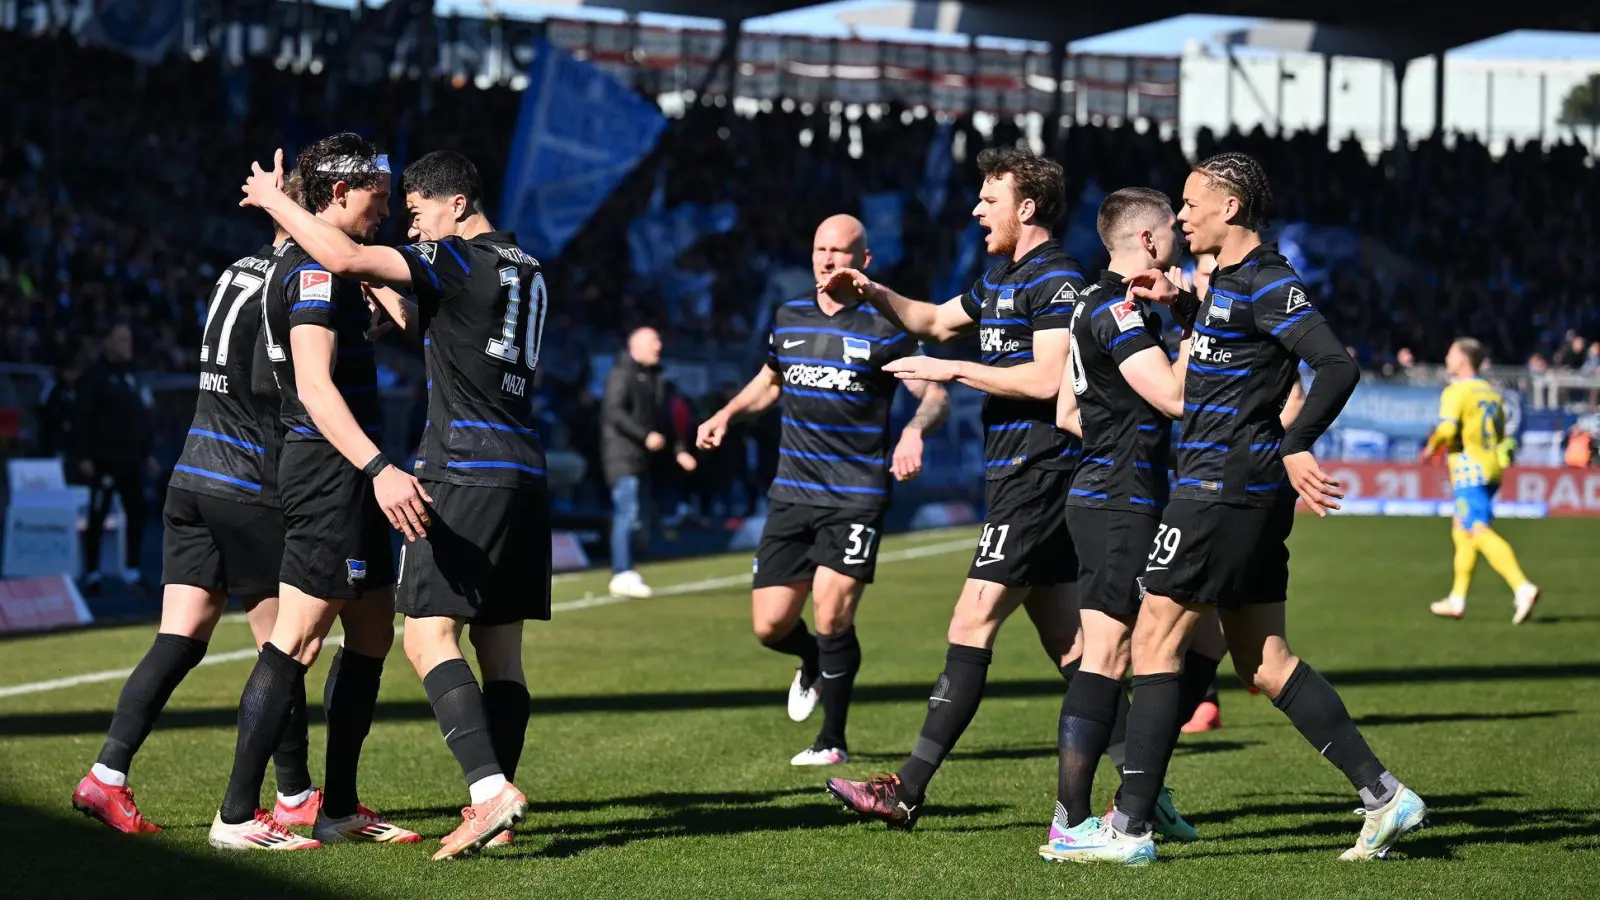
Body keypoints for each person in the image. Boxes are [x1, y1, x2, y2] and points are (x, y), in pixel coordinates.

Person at [1048, 151, 1426, 865]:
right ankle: (1383, 796)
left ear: (1230, 209)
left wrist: (1297, 443)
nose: (1180, 216)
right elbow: (1236, 347)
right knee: (1263, 661)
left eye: (1191, 204)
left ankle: (1128, 830)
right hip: (1238, 492)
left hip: (1220, 489)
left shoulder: (1269, 281)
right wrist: (1182, 305)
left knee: (1154, 641)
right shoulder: (1226, 284)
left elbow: (1337, 364)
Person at [242, 148, 542, 860]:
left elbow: (344, 260)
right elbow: (451, 328)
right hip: (526, 474)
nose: (411, 229)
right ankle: (493, 804)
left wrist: (276, 200)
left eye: (417, 214)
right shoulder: (527, 268)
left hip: (466, 468)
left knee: (424, 637)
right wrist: (397, 307)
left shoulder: (459, 258)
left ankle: (487, 790)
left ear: (457, 205)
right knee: (502, 651)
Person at [816, 146, 1086, 828]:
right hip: (1017, 473)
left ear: (1027, 208)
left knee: (970, 623)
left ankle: (905, 789)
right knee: (1075, 648)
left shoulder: (1056, 278)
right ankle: (1147, 791)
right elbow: (934, 319)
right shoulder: (1000, 276)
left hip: (1040, 472)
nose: (975, 209)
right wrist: (876, 293)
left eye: (989, 200)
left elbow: (1049, 379)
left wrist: (953, 371)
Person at [72, 177, 315, 835]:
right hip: (247, 482)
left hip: (192, 473)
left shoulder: (236, 267)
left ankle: (106, 776)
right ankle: (294, 796)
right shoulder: (301, 276)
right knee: (284, 647)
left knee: (178, 640)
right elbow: (290, 382)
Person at [209, 134, 425, 852]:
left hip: (349, 468)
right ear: (338, 194)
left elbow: (409, 320)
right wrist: (378, 469)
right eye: (378, 197)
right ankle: (235, 818)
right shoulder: (314, 271)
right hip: (332, 467)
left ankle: (338, 807)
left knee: (369, 635)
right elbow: (313, 387)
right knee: (296, 639)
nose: (387, 210)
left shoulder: (334, 263)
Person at [696, 214, 948, 767]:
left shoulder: (884, 325)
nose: (827, 259)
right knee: (769, 626)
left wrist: (912, 430)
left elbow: (933, 391)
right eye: (820, 249)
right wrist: (727, 415)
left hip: (856, 495)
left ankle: (832, 737)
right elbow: (770, 381)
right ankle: (809, 658)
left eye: (839, 250)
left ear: (864, 261)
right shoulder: (787, 317)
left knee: (834, 612)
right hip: (791, 492)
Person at [1042, 187, 1211, 858]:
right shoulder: (1116, 310)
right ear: (1146, 240)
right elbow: (1172, 396)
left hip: (1112, 492)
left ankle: (1144, 789)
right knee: (1109, 656)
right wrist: (1198, 327)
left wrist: (1116, 429)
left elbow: (1064, 413)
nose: (1179, 233)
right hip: (1119, 501)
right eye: (1172, 225)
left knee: (1207, 637)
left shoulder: (1093, 303)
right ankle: (1073, 821)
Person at [1423, 338, 1540, 624]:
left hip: (1468, 470)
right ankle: (1457, 598)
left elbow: (1448, 430)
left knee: (1476, 529)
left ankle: (1521, 586)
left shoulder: (1456, 391)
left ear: (1463, 360)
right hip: (1491, 468)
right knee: (1462, 530)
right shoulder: (1492, 393)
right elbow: (1501, 436)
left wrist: (1431, 447)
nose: (1447, 358)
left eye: (1450, 353)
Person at [602, 327, 697, 599]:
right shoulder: (621, 375)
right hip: (621, 457)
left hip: (643, 460)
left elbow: (664, 421)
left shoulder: (656, 378)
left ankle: (629, 569)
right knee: (627, 513)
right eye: (654, 341)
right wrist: (645, 436)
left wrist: (678, 450)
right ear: (637, 346)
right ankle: (621, 571)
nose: (659, 346)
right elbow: (614, 412)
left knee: (638, 517)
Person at [73, 323, 158, 592]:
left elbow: (141, 419)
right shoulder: (95, 376)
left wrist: (147, 454)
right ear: (107, 342)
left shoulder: (131, 377)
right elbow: (81, 418)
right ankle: (93, 573)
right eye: (120, 339)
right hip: (103, 459)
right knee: (97, 514)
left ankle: (131, 569)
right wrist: (83, 455)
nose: (126, 345)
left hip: (131, 460)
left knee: (138, 510)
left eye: (128, 339)